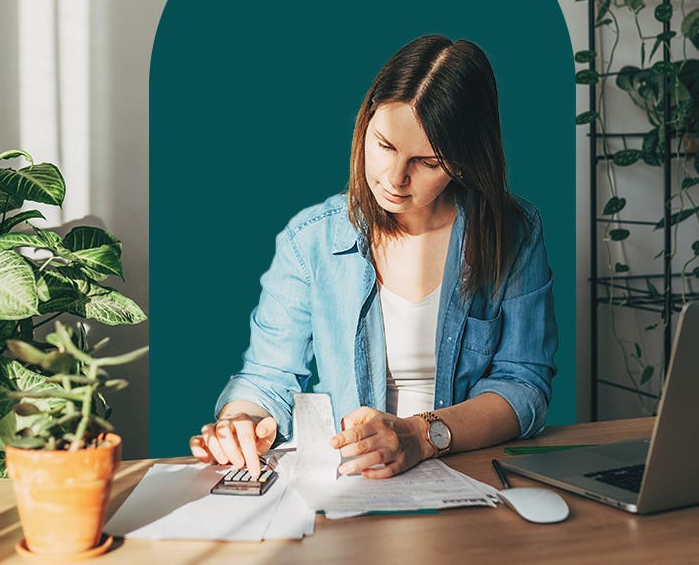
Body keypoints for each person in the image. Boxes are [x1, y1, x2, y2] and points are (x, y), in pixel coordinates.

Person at [188, 35, 557, 480]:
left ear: (463, 162)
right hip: (351, 480)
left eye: (426, 161)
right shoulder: (311, 241)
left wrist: (421, 437)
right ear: (365, 125)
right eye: (384, 146)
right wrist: (239, 423)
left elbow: (523, 385)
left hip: (467, 469)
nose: (395, 179)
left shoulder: (513, 232)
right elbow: (268, 376)